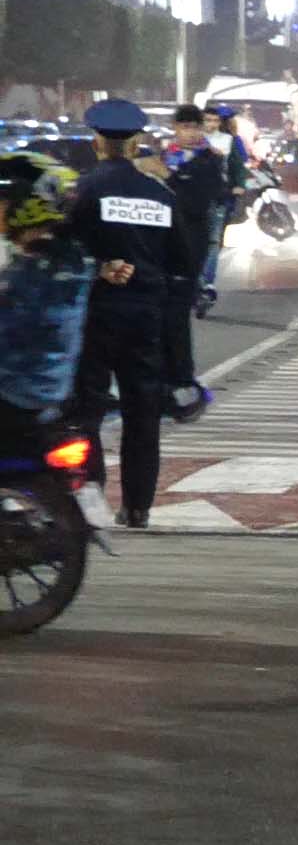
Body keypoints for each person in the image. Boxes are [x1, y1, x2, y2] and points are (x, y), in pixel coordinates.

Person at [61, 101, 180, 527]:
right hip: (146, 315)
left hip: (95, 312)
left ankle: (91, 498)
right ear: (136, 143)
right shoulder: (161, 195)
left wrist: (99, 267)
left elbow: (61, 251)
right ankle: (138, 506)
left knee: (86, 410)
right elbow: (183, 261)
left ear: (97, 142)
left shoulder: (81, 191)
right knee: (143, 410)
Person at [1, 153, 96, 435]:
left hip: (17, 393)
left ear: (27, 204)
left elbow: (11, 328)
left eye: (4, 200)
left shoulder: (31, 271)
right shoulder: (74, 258)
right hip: (54, 390)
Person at [159, 104, 229, 417]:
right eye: (184, 127)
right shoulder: (165, 156)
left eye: (194, 127)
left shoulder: (210, 159)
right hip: (160, 243)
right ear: (174, 128)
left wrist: (169, 178)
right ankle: (164, 377)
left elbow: (200, 200)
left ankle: (181, 379)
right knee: (161, 314)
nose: (189, 133)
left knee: (177, 313)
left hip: (189, 245)